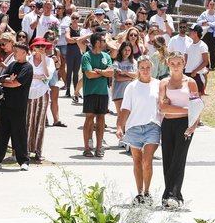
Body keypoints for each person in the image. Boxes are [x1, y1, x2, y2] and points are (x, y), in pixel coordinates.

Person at [159, 51, 201, 208]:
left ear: (184, 64)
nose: (175, 66)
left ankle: (170, 195)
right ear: (168, 64)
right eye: (172, 63)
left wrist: (194, 123)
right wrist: (186, 109)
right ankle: (175, 194)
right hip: (168, 123)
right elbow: (162, 107)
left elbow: (197, 105)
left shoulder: (190, 82)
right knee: (168, 159)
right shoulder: (164, 82)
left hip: (185, 124)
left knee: (179, 159)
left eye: (178, 63)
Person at [117, 55, 162, 204]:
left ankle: (148, 192)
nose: (145, 70)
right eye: (142, 67)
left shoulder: (159, 84)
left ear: (152, 68)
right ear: (138, 69)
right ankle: (140, 193)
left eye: (148, 67)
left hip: (153, 126)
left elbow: (164, 105)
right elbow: (125, 109)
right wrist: (119, 126)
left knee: (147, 159)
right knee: (137, 160)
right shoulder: (132, 86)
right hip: (134, 127)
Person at [0, 43, 34, 171]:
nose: (14, 53)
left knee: (19, 134)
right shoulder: (12, 65)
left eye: (17, 51)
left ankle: (23, 161)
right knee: (1, 133)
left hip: (18, 106)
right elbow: (1, 80)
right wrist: (8, 81)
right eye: (14, 50)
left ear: (24, 52)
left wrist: (9, 82)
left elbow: (16, 83)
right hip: (4, 104)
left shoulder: (27, 68)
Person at [81, 32, 114, 157]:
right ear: (97, 42)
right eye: (103, 41)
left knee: (101, 119)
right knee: (89, 118)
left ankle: (99, 147)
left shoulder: (106, 56)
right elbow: (89, 74)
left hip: (103, 93)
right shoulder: (86, 56)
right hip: (90, 92)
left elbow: (111, 73)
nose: (105, 43)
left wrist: (99, 71)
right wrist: (104, 72)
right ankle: (86, 148)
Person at [25, 37, 54, 161]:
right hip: (28, 93)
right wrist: (37, 76)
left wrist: (42, 59)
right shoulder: (28, 60)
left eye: (43, 47)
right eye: (38, 47)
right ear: (33, 48)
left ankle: (38, 150)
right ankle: (25, 150)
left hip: (42, 93)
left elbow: (47, 76)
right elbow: (26, 75)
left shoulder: (48, 61)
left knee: (40, 122)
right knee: (28, 121)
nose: (41, 49)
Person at [184, 24, 209, 93]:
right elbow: (185, 60)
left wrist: (195, 71)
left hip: (198, 74)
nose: (189, 32)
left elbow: (205, 61)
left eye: (191, 31)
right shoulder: (188, 45)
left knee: (197, 97)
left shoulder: (202, 46)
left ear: (196, 33)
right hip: (187, 73)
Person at [198, 0, 215, 69]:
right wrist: (203, 22)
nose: (212, 5)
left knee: (213, 50)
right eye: (210, 4)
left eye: (213, 4)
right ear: (208, 5)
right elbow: (198, 21)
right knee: (205, 50)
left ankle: (213, 65)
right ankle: (206, 65)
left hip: (213, 34)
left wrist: (208, 23)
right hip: (204, 34)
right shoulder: (204, 13)